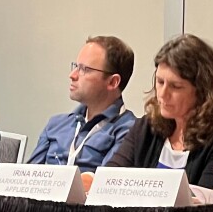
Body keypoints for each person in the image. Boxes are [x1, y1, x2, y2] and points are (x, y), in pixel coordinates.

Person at [105, 34, 213, 189]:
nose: (162, 94)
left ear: (203, 90)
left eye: (176, 86)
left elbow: (207, 204)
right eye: (160, 82)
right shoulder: (146, 127)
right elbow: (109, 181)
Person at [28, 36, 137, 172]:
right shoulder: (56, 124)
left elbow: (102, 185)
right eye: (76, 66)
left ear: (112, 82)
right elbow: (26, 178)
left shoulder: (129, 131)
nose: (72, 75)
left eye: (85, 69)